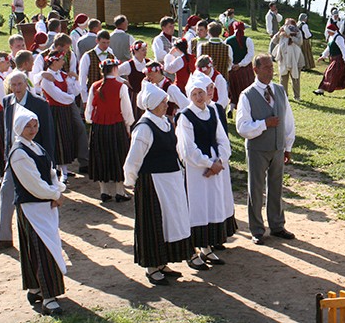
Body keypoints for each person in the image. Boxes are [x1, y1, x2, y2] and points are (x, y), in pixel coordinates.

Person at [123, 83, 193, 285]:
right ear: (152, 104)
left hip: (169, 180)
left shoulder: (164, 122)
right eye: (163, 102)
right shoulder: (144, 128)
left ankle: (162, 262)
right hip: (152, 182)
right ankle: (152, 266)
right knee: (154, 222)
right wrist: (132, 181)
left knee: (170, 221)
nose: (166, 104)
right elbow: (133, 159)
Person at [8, 105, 67, 316]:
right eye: (28, 126)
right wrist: (55, 195)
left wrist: (57, 189)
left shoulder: (35, 147)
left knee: (44, 247)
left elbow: (51, 173)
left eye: (34, 125)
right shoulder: (19, 153)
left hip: (44, 205)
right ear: (19, 128)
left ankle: (35, 289)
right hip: (31, 207)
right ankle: (48, 297)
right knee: (42, 250)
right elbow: (33, 183)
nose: (32, 129)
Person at [0, 70, 55, 253]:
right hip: (13, 157)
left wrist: (49, 164)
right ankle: (4, 237)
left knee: (38, 198)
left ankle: (46, 235)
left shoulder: (40, 104)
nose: (16, 88)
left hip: (34, 158)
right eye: (13, 85)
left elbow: (47, 134)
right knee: (5, 191)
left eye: (20, 84)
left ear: (26, 84)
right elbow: (8, 131)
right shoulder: (7, 101)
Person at [236, 54, 296, 245]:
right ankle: (257, 229)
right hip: (257, 148)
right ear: (256, 70)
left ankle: (277, 225)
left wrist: (288, 145)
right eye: (267, 68)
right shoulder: (247, 95)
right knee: (256, 189)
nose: (271, 71)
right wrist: (264, 124)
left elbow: (288, 120)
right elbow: (242, 127)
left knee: (276, 187)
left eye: (272, 67)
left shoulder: (279, 90)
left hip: (277, 147)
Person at [178, 75, 236, 269]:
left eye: (201, 93)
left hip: (215, 168)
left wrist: (220, 161)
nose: (198, 97)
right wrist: (208, 164)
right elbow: (188, 149)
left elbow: (222, 139)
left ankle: (207, 247)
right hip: (197, 172)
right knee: (198, 208)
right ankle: (193, 250)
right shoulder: (185, 116)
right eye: (194, 94)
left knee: (212, 205)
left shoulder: (211, 111)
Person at [85, 59, 134, 202]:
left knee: (101, 156)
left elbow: (89, 112)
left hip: (98, 127)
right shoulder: (121, 86)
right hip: (116, 126)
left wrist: (93, 121)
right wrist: (128, 125)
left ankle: (104, 191)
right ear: (115, 69)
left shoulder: (94, 86)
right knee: (119, 157)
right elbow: (127, 110)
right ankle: (120, 191)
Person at [40, 51, 82, 183]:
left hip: (65, 111)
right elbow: (59, 96)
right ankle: (59, 171)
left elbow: (75, 91)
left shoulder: (63, 75)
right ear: (54, 62)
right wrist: (70, 97)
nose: (64, 62)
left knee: (65, 138)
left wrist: (74, 79)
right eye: (61, 60)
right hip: (54, 111)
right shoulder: (47, 79)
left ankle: (63, 170)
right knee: (57, 139)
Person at [313, 23, 345, 98]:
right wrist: (323, 56)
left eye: (329, 31)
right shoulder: (331, 37)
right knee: (344, 76)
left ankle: (321, 90)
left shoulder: (339, 38)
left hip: (339, 59)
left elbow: (343, 49)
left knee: (329, 73)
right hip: (333, 59)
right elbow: (328, 48)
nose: (328, 33)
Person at [225, 21, 255, 117]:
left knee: (233, 89)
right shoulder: (248, 40)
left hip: (232, 69)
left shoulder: (227, 41)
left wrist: (233, 65)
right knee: (246, 89)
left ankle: (231, 108)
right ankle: (247, 110)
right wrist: (241, 64)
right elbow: (250, 54)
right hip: (244, 69)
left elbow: (227, 55)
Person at [78, 30, 116, 103]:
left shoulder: (111, 55)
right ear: (97, 41)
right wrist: (85, 99)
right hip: (92, 93)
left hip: (108, 93)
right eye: (103, 43)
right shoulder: (87, 56)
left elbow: (115, 74)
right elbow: (82, 77)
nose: (106, 45)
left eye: (108, 43)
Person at [273, 19, 305, 102]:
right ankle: (284, 95)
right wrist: (279, 34)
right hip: (284, 58)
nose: (286, 26)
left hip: (296, 59)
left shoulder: (297, 32)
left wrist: (290, 36)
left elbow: (300, 42)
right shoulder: (282, 32)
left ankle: (297, 96)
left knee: (295, 78)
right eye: (285, 24)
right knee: (283, 77)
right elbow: (274, 41)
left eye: (288, 25)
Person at [118, 41, 150, 121]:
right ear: (135, 51)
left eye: (145, 50)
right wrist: (123, 81)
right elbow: (114, 74)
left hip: (147, 95)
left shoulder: (149, 62)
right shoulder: (128, 65)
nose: (145, 52)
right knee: (135, 117)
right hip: (134, 96)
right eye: (142, 50)